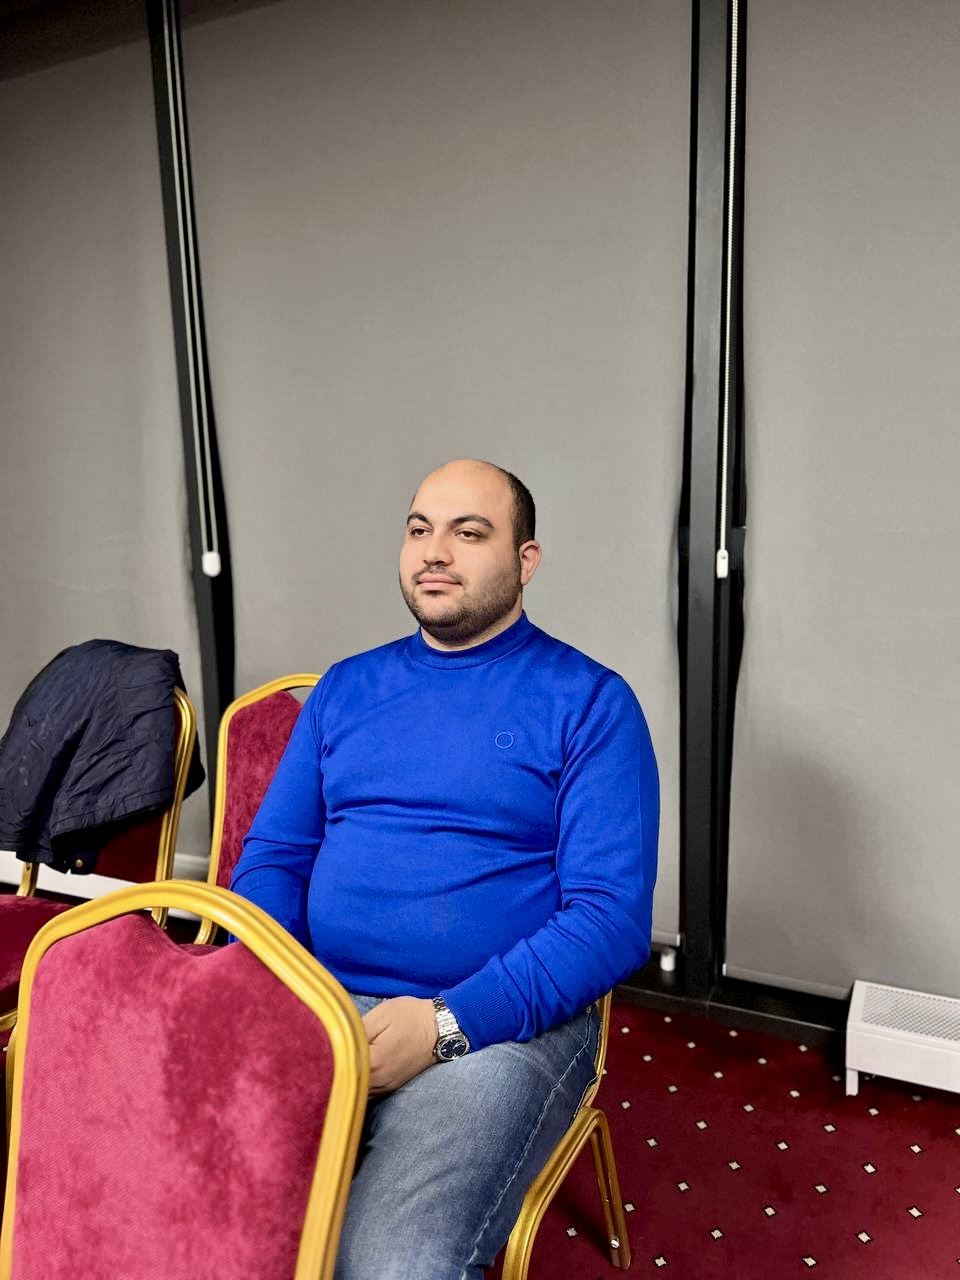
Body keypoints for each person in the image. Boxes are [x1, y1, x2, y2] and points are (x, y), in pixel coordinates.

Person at [230, 458, 659, 1279]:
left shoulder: (591, 703)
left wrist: (444, 1024)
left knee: (386, 1263)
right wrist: (286, 994)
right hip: (317, 998)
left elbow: (609, 921)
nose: (435, 550)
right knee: (188, 1200)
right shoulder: (347, 688)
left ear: (525, 561)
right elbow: (274, 859)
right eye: (420, 529)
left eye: (469, 532)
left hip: (496, 1025)